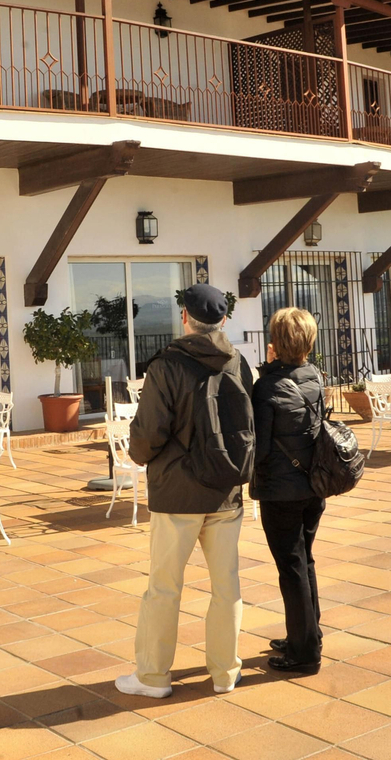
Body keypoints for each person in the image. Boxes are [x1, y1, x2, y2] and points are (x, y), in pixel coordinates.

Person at [116, 283, 256, 699]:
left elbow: (148, 433)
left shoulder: (167, 365)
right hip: (224, 491)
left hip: (177, 494)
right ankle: (225, 673)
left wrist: (137, 455)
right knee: (226, 586)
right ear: (224, 320)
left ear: (185, 318)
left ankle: (154, 678)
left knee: (163, 587)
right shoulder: (238, 362)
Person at [250, 307, 327, 674]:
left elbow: (260, 447)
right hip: (313, 485)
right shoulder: (314, 376)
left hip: (281, 490)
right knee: (304, 559)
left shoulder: (266, 386)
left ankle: (304, 651)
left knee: (291, 566)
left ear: (276, 342)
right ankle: (309, 633)